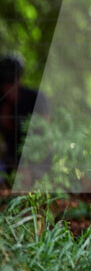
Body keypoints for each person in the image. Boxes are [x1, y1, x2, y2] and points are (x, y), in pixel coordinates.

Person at [0, 52, 49, 184]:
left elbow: (45, 135)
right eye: (3, 81)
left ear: (19, 78)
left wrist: (27, 166)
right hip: (10, 161)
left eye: (10, 80)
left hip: (38, 159)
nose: (7, 86)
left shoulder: (35, 99)